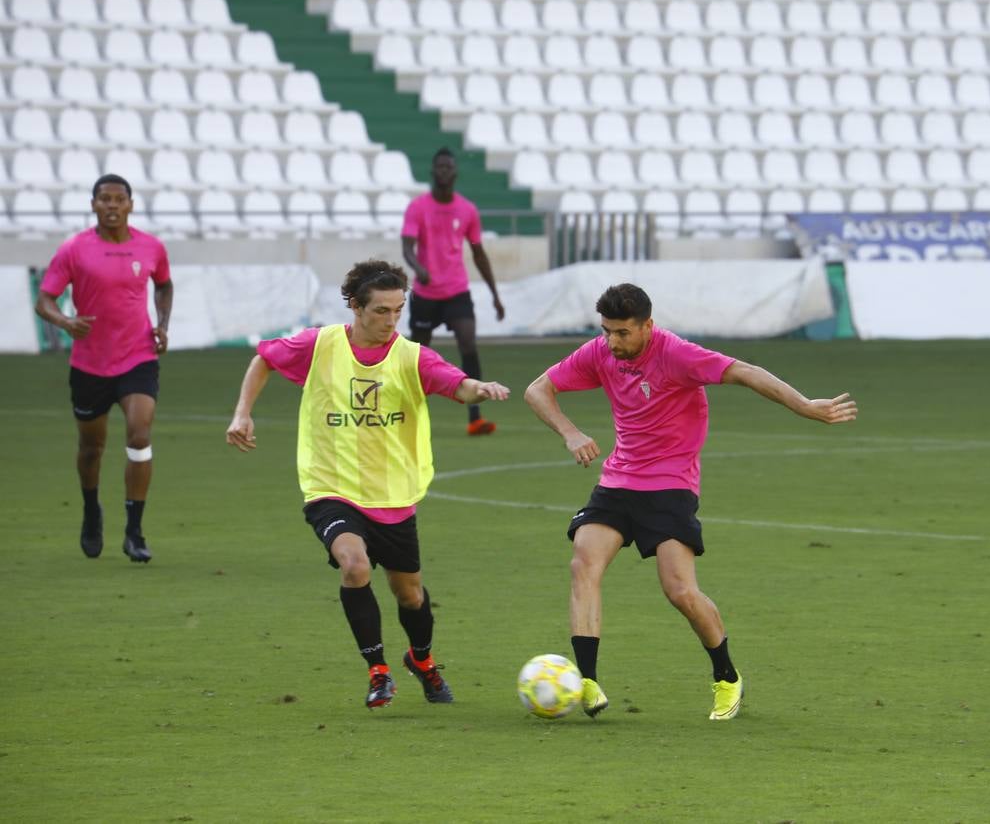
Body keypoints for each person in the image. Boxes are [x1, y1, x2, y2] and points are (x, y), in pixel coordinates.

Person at [524, 283, 858, 720]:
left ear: (648, 325)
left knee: (679, 590)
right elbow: (537, 389)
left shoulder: (676, 354)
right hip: (619, 480)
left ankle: (726, 676)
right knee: (583, 563)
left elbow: (746, 372)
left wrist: (805, 406)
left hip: (670, 484)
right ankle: (586, 681)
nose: (612, 342)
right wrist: (570, 432)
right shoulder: (600, 352)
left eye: (622, 333)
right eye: (606, 331)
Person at [225, 259, 510, 708]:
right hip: (330, 488)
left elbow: (457, 385)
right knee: (354, 566)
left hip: (394, 495)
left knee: (410, 594)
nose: (391, 320)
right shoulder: (320, 345)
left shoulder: (412, 357)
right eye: (381, 311)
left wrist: (480, 388)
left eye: (398, 310)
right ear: (356, 308)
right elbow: (264, 357)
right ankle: (378, 671)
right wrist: (242, 412)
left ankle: (422, 660)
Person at [35, 173, 173, 563]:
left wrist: (162, 324)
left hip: (138, 357)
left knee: (140, 433)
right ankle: (91, 511)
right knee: (91, 449)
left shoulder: (151, 247)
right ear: (93, 205)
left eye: (119, 199)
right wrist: (64, 322)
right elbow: (44, 299)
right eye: (104, 199)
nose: (112, 205)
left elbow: (164, 285)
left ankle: (134, 531)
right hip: (90, 364)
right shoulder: (75, 249)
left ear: (130, 204)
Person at [401, 147, 505, 436]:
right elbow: (407, 247)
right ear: (433, 172)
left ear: (455, 172)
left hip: (456, 291)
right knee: (417, 354)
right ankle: (408, 411)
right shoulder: (418, 207)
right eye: (440, 167)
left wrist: (495, 295)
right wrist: (418, 268)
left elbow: (479, 253)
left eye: (449, 167)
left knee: (468, 344)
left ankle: (475, 416)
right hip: (425, 294)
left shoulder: (467, 209)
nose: (444, 171)